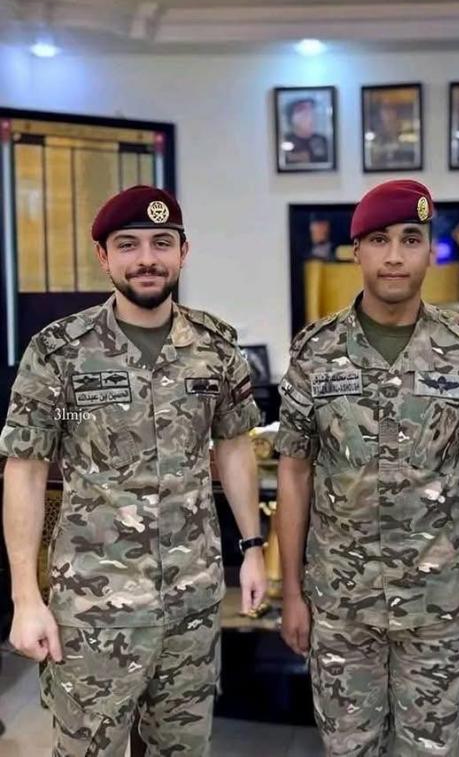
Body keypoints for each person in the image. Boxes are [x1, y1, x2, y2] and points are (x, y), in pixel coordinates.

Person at [1, 185, 266, 756]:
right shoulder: (58, 351)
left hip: (192, 605)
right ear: (104, 256)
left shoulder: (216, 347)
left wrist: (252, 547)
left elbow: (234, 447)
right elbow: (25, 470)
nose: (147, 258)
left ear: (183, 252)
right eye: (128, 245)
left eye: (161, 243)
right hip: (92, 610)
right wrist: (25, 597)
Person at [276, 179, 459, 756]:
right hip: (341, 603)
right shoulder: (315, 352)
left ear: (430, 251)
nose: (394, 256)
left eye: (411, 239)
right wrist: (292, 592)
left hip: (438, 606)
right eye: (379, 240)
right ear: (356, 250)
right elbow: (294, 472)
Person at [283, 97, 329, 165]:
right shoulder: (285, 140)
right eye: (305, 113)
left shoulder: (322, 140)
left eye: (311, 111)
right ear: (292, 118)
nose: (310, 117)